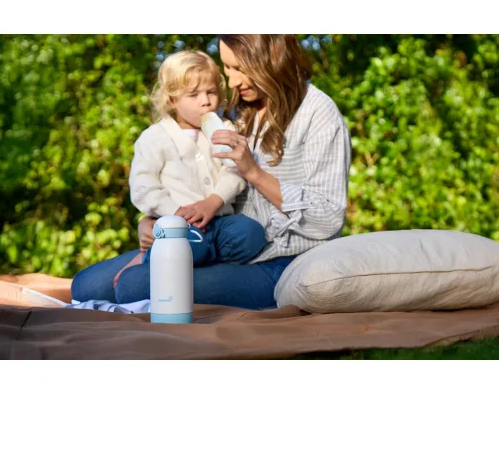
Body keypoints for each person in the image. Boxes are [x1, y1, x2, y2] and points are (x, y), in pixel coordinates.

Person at [71, 35, 352, 309]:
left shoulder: (318, 114)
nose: (232, 82)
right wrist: (151, 222)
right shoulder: (236, 108)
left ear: (271, 60)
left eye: (240, 68)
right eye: (227, 68)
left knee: (135, 285)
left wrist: (254, 173)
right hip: (211, 240)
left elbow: (327, 219)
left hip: (278, 261)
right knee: (87, 287)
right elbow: (183, 179)